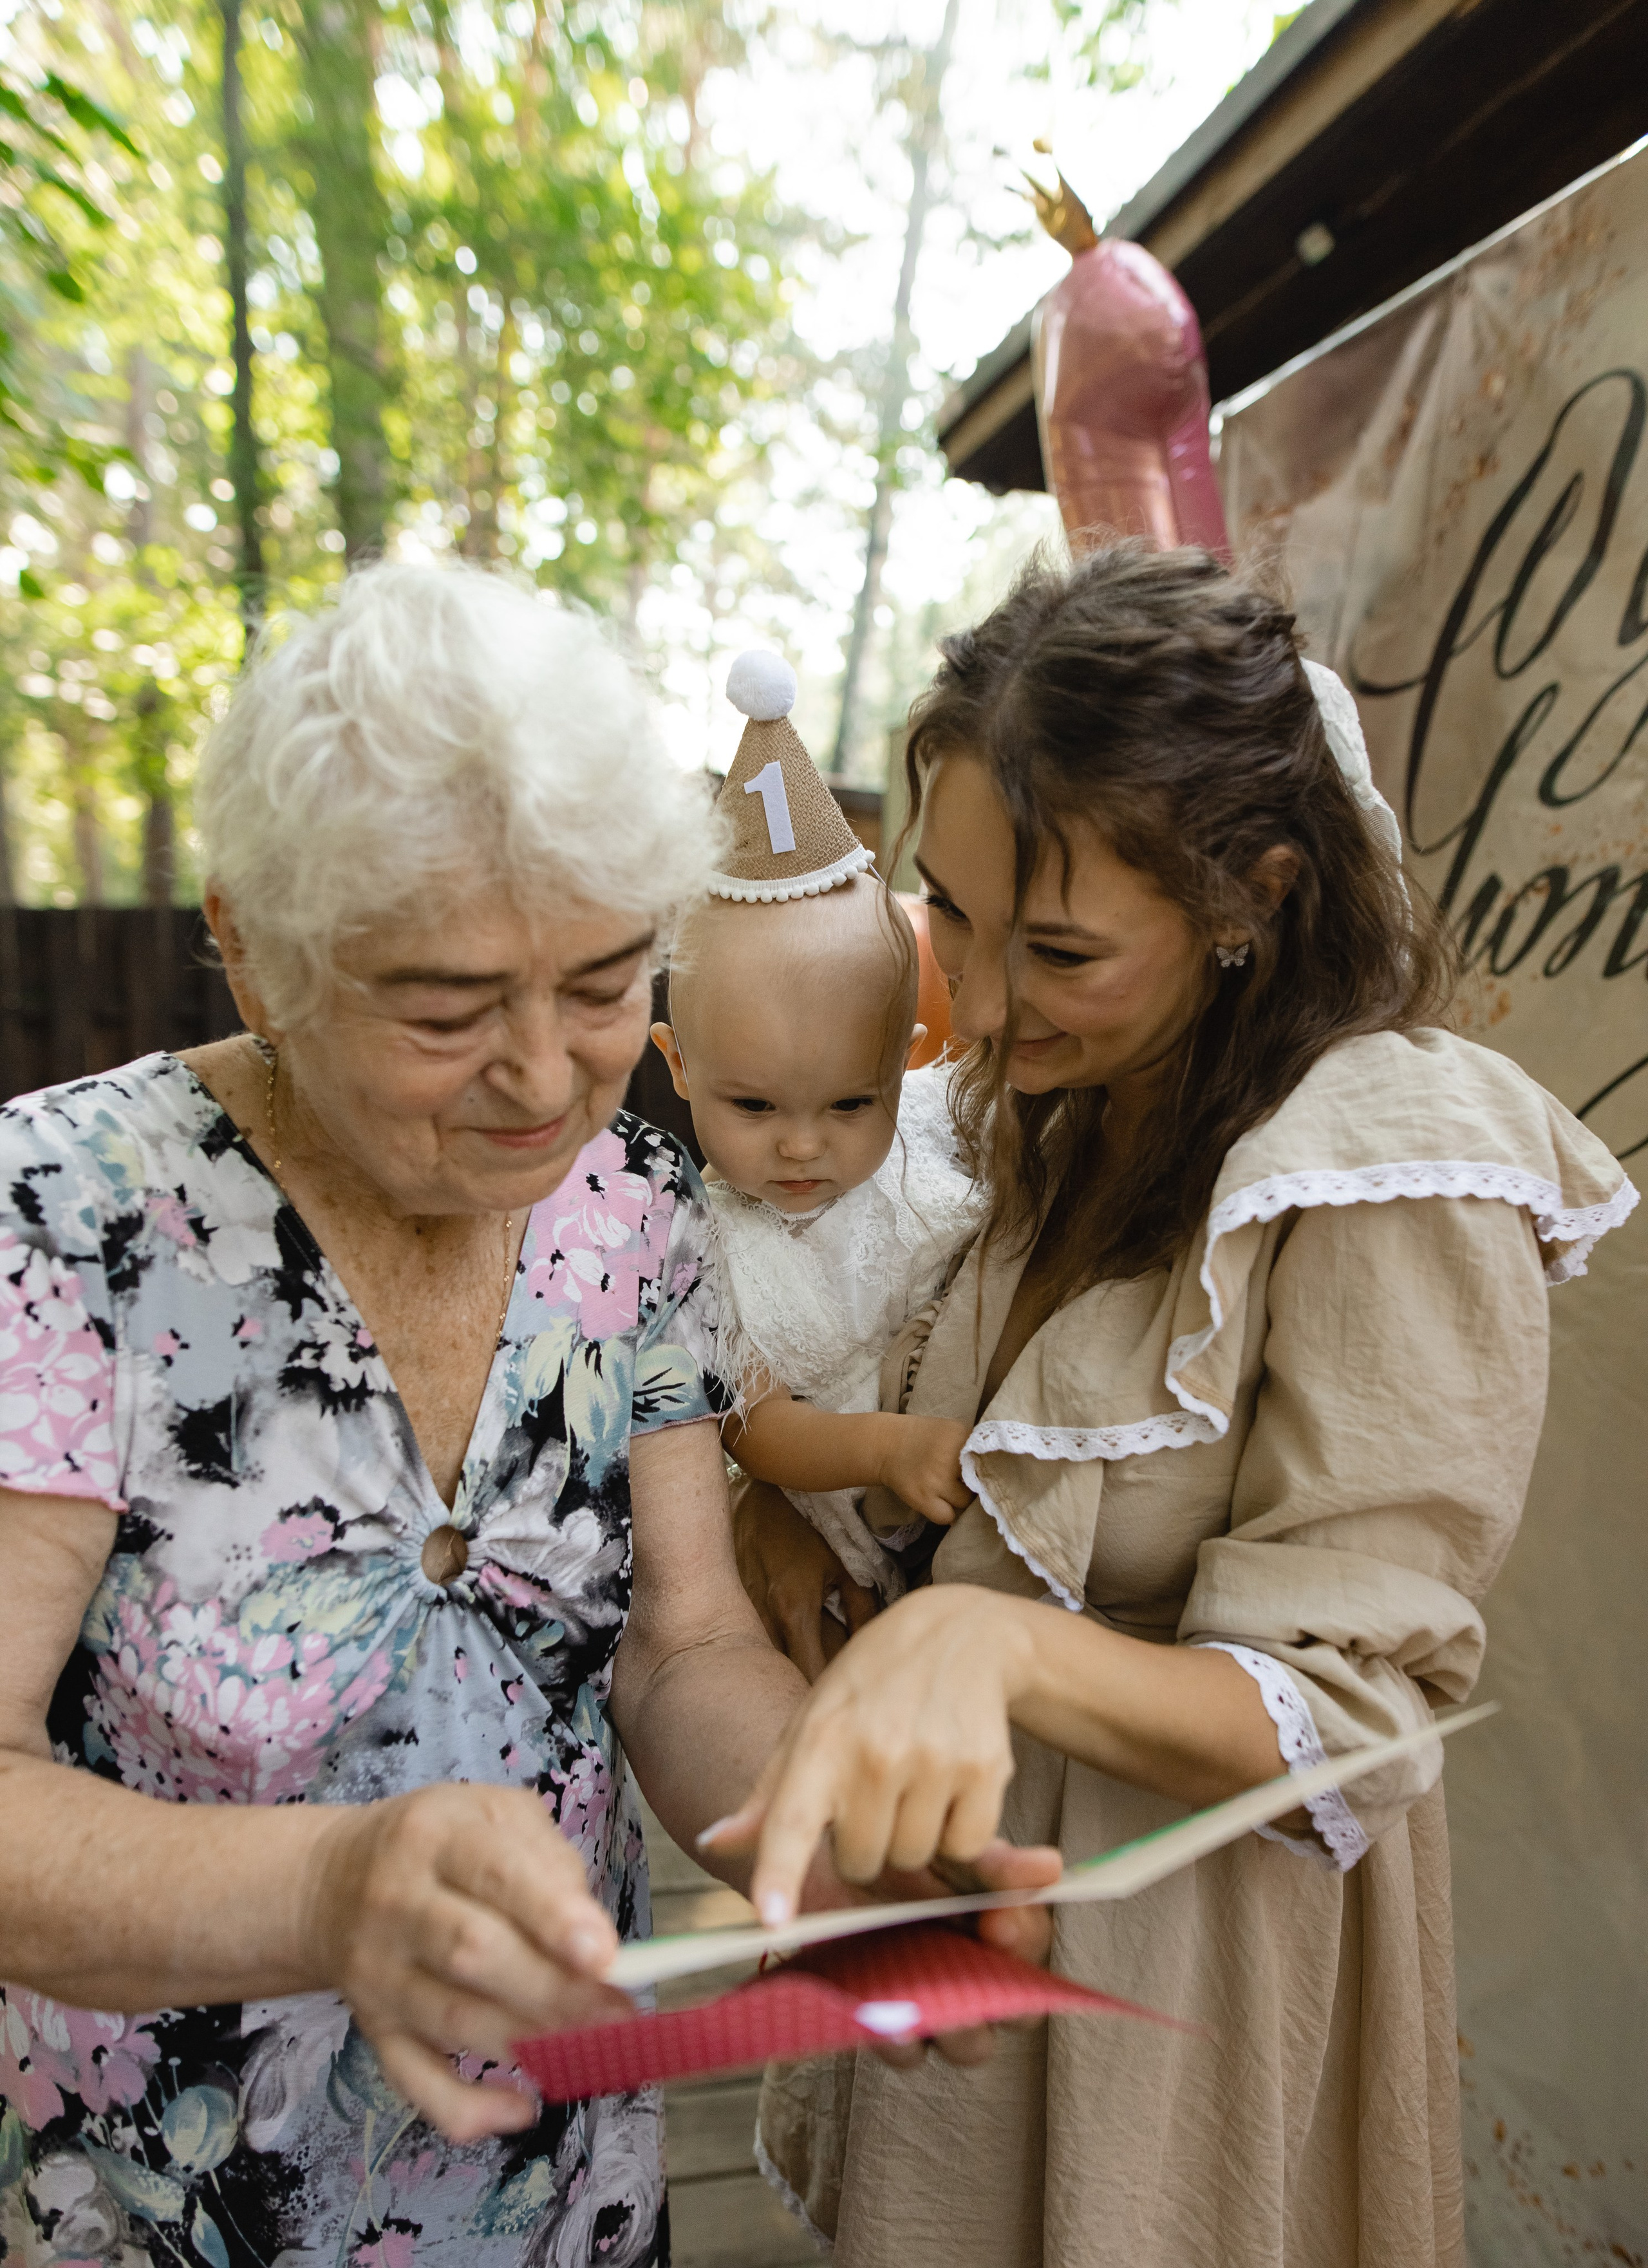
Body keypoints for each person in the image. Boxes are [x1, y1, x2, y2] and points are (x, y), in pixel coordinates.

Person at [0, 566, 1053, 2268]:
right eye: (448, 1007)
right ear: (253, 955)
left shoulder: (630, 1214)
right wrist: (325, 1891)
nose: (550, 1073)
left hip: (555, 2182)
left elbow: (683, 1637)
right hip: (162, 2201)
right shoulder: (61, 1218)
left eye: (603, 982)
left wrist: (818, 1840)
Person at [711, 543, 1638, 2268]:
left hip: (1187, 1973)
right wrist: (811, 1553)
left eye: (1056, 946)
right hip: (973, 1936)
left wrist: (995, 1655)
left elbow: (1357, 1722)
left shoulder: (1389, 1167)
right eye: (956, 919)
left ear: (1251, 895)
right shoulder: (1050, 1103)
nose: (975, 1006)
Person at [648, 652, 983, 1652]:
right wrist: (883, 1449)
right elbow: (754, 1427)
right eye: (753, 1104)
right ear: (678, 1065)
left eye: (850, 1101)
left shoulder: (942, 1125)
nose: (802, 1144)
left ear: (911, 1063)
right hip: (837, 1526)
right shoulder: (692, 1243)